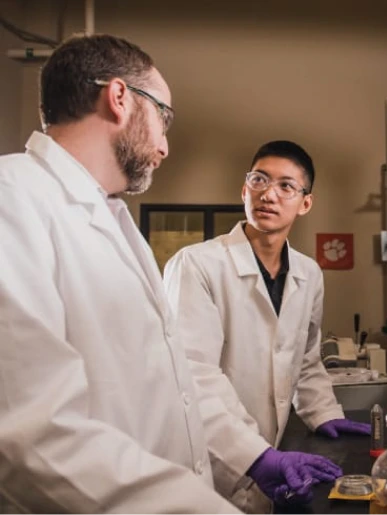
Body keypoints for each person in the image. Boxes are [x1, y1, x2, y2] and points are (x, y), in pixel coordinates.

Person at [0, 34, 246, 513]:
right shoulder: (12, 198)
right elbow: (30, 437)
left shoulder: (111, 218)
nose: (165, 146)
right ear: (118, 98)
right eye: (164, 118)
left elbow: (169, 387)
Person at [163, 141, 370, 513]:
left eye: (286, 186)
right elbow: (191, 375)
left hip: (268, 463)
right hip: (205, 463)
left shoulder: (308, 273)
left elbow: (305, 359)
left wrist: (324, 413)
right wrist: (254, 457)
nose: (268, 194)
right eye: (259, 180)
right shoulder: (196, 265)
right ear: (244, 190)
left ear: (305, 203)